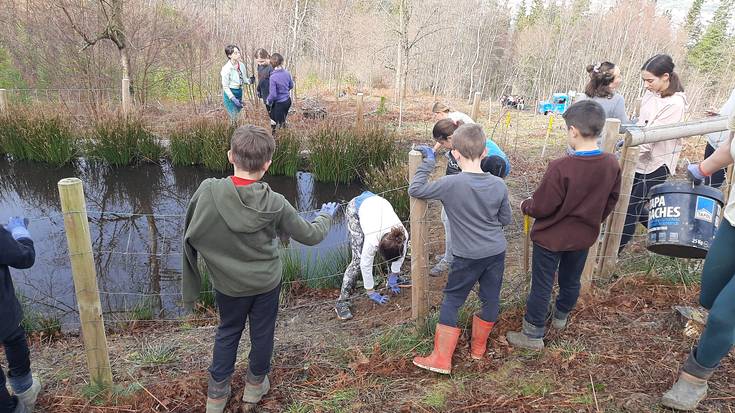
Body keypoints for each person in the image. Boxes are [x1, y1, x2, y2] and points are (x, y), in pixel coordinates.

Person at [182, 125, 338, 413]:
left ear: (231, 156)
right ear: (267, 165)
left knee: (228, 332)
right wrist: (325, 216)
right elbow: (311, 235)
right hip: (266, 284)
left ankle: (216, 397)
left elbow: (191, 231)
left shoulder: (208, 191)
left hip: (228, 286)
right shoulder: (275, 203)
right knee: (262, 333)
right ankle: (254, 389)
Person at [505, 100, 621, 350]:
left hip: (551, 239)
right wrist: (593, 219)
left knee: (542, 284)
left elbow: (544, 205)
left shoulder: (561, 167)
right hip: (583, 236)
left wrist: (527, 205)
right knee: (571, 280)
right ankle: (560, 317)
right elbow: (612, 199)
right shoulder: (611, 163)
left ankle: (533, 333)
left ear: (573, 131)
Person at [408, 124, 511, 374]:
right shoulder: (499, 185)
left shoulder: (451, 184)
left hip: (467, 256)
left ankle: (441, 359)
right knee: (490, 297)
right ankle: (478, 350)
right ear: (485, 152)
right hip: (495, 252)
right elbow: (505, 219)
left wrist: (428, 162)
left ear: (455, 153)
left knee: (453, 299)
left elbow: (416, 189)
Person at [661, 111, 735, 411]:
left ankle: (694, 378)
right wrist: (701, 169)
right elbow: (730, 148)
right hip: (733, 222)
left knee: (722, 316)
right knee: (709, 294)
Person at [618, 54, 687, 253]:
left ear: (665, 76)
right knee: (632, 204)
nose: (646, 85)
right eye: (644, 80)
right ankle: (669, 236)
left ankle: (611, 255)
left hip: (656, 163)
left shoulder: (675, 103)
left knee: (631, 207)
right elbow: (642, 124)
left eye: (650, 80)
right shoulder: (650, 94)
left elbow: (653, 136)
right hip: (637, 157)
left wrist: (625, 152)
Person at [429, 118, 511, 277]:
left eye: (443, 143)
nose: (443, 148)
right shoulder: (463, 143)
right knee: (446, 218)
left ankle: (450, 258)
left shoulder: (474, 151)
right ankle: (450, 252)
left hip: (494, 169)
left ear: (451, 139)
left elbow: (478, 180)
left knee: (452, 220)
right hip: (478, 176)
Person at [334, 192, 408, 321]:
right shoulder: (373, 240)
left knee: (394, 259)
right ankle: (342, 301)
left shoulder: (402, 235)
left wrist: (394, 275)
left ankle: (394, 278)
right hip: (357, 208)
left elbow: (401, 254)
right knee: (357, 260)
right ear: (378, 247)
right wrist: (370, 291)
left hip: (376, 203)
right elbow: (365, 264)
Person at [1, 217, 42, 413]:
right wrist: (20, 233)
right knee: (14, 339)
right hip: (3, 314)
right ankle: (24, 392)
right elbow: (24, 257)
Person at [581, 61, 630, 133]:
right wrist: (637, 121)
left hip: (580, 143)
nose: (621, 79)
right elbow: (622, 128)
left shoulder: (582, 98)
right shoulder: (617, 100)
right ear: (609, 81)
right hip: (601, 143)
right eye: (619, 76)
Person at [702, 87, 735, 188]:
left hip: (728, 149)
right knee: (707, 184)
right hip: (715, 141)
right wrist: (719, 114)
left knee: (713, 186)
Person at [221, 45, 253, 122]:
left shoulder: (241, 65)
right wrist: (233, 98)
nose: (238, 54)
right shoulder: (226, 69)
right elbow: (225, 87)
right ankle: (232, 132)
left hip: (239, 92)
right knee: (233, 117)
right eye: (235, 53)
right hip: (230, 94)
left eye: (238, 52)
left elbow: (243, 78)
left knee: (238, 116)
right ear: (229, 55)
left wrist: (250, 81)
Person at [266, 53, 294, 134]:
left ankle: (279, 141)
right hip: (288, 101)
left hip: (279, 104)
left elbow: (273, 95)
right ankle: (282, 137)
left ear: (272, 64)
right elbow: (291, 86)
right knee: (282, 120)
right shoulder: (287, 73)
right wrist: (284, 91)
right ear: (282, 62)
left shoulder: (273, 77)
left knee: (277, 125)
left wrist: (268, 101)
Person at [254, 48, 273, 114]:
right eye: (258, 62)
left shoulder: (273, 66)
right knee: (270, 114)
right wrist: (259, 90)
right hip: (265, 94)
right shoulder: (259, 65)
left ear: (267, 57)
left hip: (274, 96)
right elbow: (261, 79)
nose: (260, 63)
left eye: (262, 61)